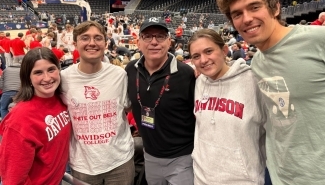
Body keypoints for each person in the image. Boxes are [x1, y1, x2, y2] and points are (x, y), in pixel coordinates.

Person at [216, 0, 325, 185]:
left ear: (275, 8)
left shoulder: (317, 41)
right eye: (237, 14)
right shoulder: (257, 63)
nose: (247, 19)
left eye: (255, 7)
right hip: (281, 175)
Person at [188, 29, 266, 184]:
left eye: (208, 51)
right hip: (201, 177)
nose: (203, 60)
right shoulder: (200, 82)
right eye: (196, 56)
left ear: (224, 50)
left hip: (243, 180)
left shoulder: (253, 81)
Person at [60, 21, 134, 184]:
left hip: (120, 162)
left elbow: (128, 108)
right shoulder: (63, 79)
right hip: (82, 165)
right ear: (75, 44)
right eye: (85, 38)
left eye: (97, 38)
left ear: (105, 43)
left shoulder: (119, 75)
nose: (92, 43)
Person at [125, 17, 196, 185]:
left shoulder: (186, 73)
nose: (154, 42)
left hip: (183, 158)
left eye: (160, 36)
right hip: (150, 157)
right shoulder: (130, 70)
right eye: (147, 37)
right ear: (138, 42)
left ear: (169, 42)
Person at [0, 48, 71, 184]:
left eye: (51, 69)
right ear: (29, 78)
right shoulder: (20, 119)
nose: (47, 78)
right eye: (38, 72)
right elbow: (12, 179)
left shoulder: (60, 99)